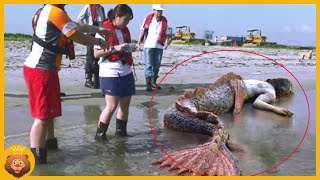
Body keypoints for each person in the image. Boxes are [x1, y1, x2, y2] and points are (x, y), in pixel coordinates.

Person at [24, 4, 108, 164]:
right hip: (40, 69)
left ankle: (50, 146)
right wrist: (98, 41)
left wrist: (98, 30)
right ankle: (38, 159)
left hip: (46, 69)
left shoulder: (55, 11)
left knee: (49, 113)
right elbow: (77, 35)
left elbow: (78, 26)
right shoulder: (55, 11)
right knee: (42, 117)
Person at [93, 4, 136, 141]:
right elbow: (96, 53)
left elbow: (124, 48)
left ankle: (121, 134)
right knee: (111, 106)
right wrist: (115, 48)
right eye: (126, 19)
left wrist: (130, 48)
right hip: (110, 71)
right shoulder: (103, 29)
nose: (127, 22)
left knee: (125, 105)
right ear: (116, 17)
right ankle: (100, 135)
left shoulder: (125, 30)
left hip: (126, 70)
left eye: (129, 20)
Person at [137, 4, 170, 91]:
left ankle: (153, 83)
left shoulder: (164, 21)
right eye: (158, 11)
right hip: (148, 45)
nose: (160, 12)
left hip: (159, 46)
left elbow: (167, 34)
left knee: (157, 65)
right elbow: (142, 31)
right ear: (154, 10)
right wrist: (138, 42)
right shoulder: (148, 19)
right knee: (148, 65)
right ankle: (148, 84)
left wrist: (166, 43)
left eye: (161, 11)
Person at [78, 4, 106, 89]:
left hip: (99, 34)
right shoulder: (88, 7)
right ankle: (88, 80)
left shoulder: (101, 8)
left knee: (98, 57)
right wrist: (87, 28)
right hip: (90, 34)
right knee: (90, 57)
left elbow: (103, 22)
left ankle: (97, 80)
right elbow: (79, 20)